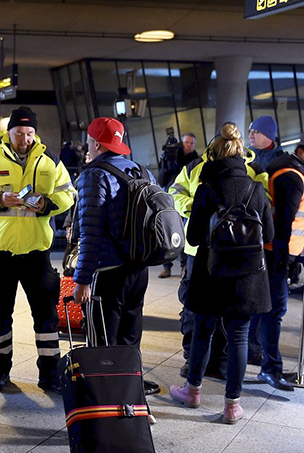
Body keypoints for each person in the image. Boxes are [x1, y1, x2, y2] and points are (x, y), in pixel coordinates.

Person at [0, 106, 75, 393]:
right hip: (1, 252)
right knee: (1, 314)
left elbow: (69, 193)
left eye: (29, 133)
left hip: (37, 252)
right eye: (19, 133)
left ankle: (48, 374)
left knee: (46, 315)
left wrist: (48, 204)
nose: (24, 138)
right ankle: (0, 371)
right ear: (8, 132)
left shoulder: (49, 161)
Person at [169, 123, 273, 423]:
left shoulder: (207, 188)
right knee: (239, 337)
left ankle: (192, 390)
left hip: (211, 273)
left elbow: (194, 238)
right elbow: (270, 232)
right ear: (243, 156)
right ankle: (232, 406)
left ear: (213, 156)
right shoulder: (256, 188)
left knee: (203, 332)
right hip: (247, 275)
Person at [72, 117, 163, 395]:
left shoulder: (94, 175)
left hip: (108, 272)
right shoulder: (142, 171)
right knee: (130, 336)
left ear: (95, 143)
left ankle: (106, 400)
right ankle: (130, 394)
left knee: (103, 340)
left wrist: (82, 279)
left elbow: (91, 233)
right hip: (138, 269)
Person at [171, 138, 259, 378]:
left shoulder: (252, 170)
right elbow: (175, 193)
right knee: (200, 310)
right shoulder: (195, 168)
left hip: (220, 252)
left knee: (206, 312)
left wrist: (204, 211)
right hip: (217, 254)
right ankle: (197, 360)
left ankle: (210, 364)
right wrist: (194, 208)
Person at [256, 130, 304, 391]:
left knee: (266, 310)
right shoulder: (291, 176)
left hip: (277, 251)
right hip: (277, 253)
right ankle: (270, 369)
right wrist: (283, 258)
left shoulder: (291, 172)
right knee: (275, 311)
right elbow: (284, 222)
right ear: (301, 152)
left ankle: (262, 360)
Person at [158, 133, 198, 279]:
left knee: (183, 235)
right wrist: (166, 163)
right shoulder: (172, 156)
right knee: (167, 234)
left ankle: (183, 266)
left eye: (191, 143)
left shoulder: (195, 161)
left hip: (184, 202)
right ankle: (166, 267)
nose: (188, 145)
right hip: (168, 198)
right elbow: (161, 179)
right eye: (186, 142)